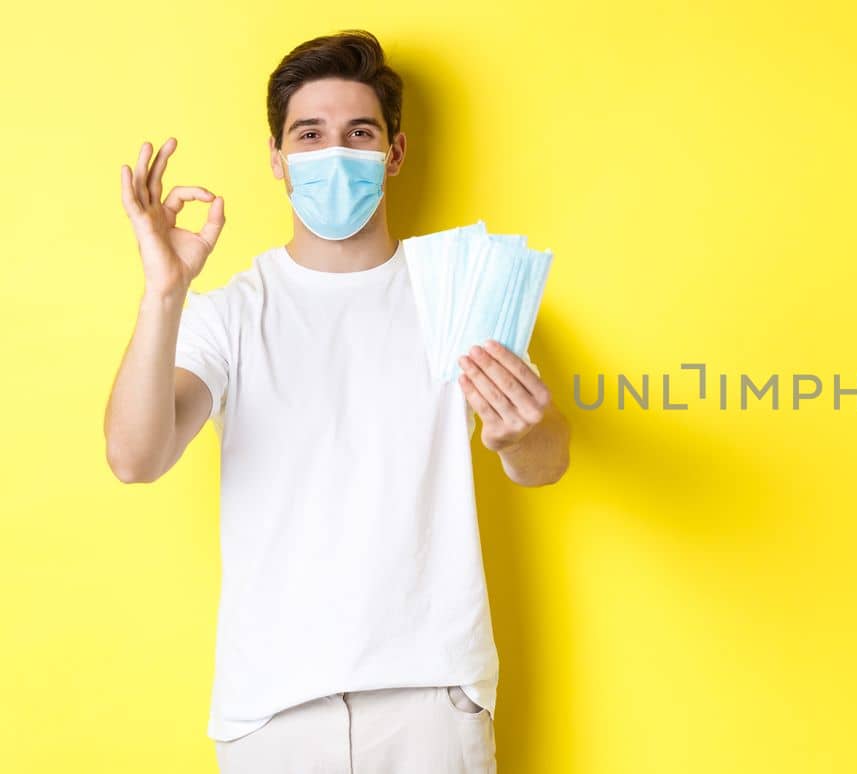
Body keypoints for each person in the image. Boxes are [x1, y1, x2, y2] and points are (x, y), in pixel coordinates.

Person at [101, 29, 569, 773]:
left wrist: (523, 434)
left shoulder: (461, 289)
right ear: (278, 161)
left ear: (395, 153)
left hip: (432, 700)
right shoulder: (229, 313)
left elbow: (544, 464)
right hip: (272, 712)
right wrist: (165, 293)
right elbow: (134, 457)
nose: (334, 153)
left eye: (359, 133)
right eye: (309, 135)